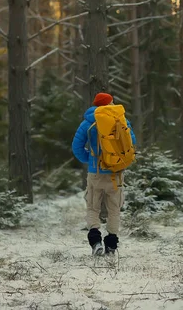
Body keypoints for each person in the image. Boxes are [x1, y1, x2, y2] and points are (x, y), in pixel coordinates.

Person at [72, 92, 136, 256]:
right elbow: (132, 142)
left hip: (96, 173)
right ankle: (111, 245)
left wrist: (91, 159)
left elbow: (76, 147)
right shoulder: (121, 120)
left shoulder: (87, 122)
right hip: (116, 173)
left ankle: (96, 242)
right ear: (110, 103)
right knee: (114, 209)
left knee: (93, 208)